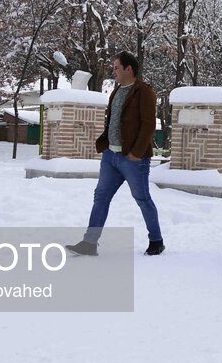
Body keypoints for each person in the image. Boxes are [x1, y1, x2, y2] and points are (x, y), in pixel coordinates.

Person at [67, 51, 164, 257]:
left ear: (129, 69)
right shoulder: (117, 90)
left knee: (142, 198)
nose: (114, 72)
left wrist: (136, 153)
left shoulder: (144, 92)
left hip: (133, 159)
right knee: (100, 197)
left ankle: (156, 240)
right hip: (110, 156)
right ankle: (89, 243)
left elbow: (148, 125)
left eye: (117, 68)